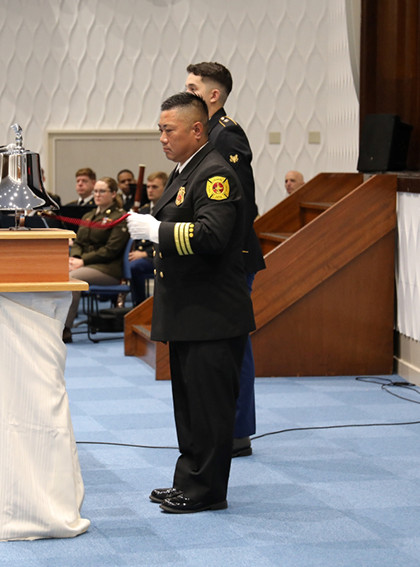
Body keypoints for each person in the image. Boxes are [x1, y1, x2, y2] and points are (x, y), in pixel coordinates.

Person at [127, 92, 255, 514]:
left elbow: (213, 237)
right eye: (160, 130)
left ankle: (207, 491)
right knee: (190, 406)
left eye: (169, 130)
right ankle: (189, 480)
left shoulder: (215, 174)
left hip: (211, 313)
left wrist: (156, 231)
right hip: (189, 311)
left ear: (196, 129)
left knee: (209, 408)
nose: (162, 138)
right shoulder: (187, 171)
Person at [186, 61, 266, 458]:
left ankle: (237, 430)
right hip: (214, 256)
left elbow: (240, 204)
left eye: (192, 86)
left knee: (235, 343)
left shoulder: (226, 135)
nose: (186, 92)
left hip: (232, 255)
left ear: (213, 95)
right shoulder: (204, 134)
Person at [63, 177, 129, 343]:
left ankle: (65, 329)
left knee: (73, 279)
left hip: (108, 269)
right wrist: (75, 258)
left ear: (113, 194)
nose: (97, 195)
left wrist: (82, 261)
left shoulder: (120, 217)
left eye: (102, 191)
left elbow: (111, 250)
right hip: (84, 264)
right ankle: (53, 324)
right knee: (57, 273)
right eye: (95, 192)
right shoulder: (89, 215)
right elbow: (78, 242)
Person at [127, 171, 167, 305]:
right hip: (140, 255)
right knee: (127, 264)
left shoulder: (168, 211)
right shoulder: (143, 211)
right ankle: (137, 307)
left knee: (134, 267)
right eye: (148, 187)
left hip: (158, 255)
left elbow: (165, 236)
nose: (150, 190)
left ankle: (139, 305)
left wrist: (145, 253)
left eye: (154, 187)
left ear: (165, 188)